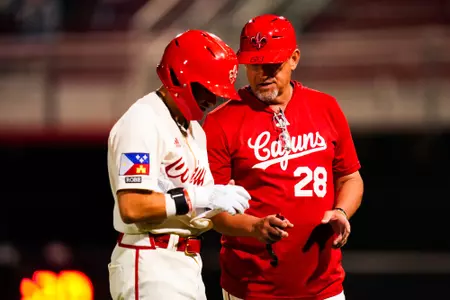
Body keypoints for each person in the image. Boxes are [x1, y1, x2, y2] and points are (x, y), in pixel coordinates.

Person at [203, 14, 364, 300]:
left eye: (272, 63)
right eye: (254, 64)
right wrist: (255, 226)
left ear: (294, 58)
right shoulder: (220, 121)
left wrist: (341, 212)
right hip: (252, 288)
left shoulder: (326, 107)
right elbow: (213, 210)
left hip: (323, 287)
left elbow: (350, 177)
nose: (263, 72)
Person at [107, 29, 251, 300]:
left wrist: (217, 205)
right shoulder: (142, 121)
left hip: (185, 262)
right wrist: (201, 195)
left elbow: (194, 207)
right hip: (149, 258)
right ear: (180, 76)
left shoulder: (195, 130)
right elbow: (132, 207)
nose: (213, 100)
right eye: (207, 88)